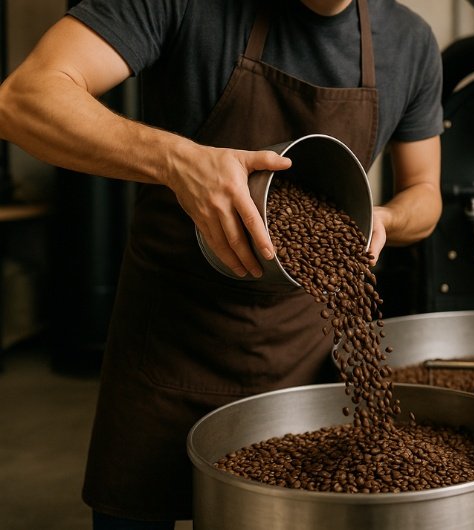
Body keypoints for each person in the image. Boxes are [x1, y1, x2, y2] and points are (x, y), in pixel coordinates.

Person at [0, 0, 443, 527]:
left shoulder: (410, 41)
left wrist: (386, 218)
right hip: (169, 347)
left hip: (304, 362)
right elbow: (22, 100)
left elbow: (426, 192)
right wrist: (178, 160)